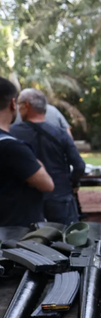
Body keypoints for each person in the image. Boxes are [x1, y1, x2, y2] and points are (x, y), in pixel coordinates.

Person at [11, 89, 85, 225]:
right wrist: (72, 182)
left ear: (26, 105)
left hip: (25, 199)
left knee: (28, 242)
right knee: (64, 240)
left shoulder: (12, 133)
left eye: (19, 104)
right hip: (60, 196)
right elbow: (79, 165)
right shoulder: (61, 134)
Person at [0, 77, 54, 227]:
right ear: (12, 103)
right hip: (14, 234)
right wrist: (37, 163)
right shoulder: (12, 147)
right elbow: (47, 184)